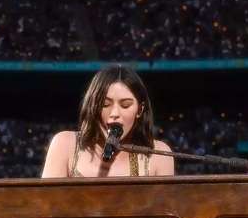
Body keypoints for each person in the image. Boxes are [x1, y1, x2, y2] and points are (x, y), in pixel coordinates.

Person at [41, 65, 174, 178]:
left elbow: (166, 209)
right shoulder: (64, 145)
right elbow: (45, 206)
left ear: (140, 110)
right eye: (105, 104)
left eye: (125, 105)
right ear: (92, 106)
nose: (115, 113)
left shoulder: (159, 155)